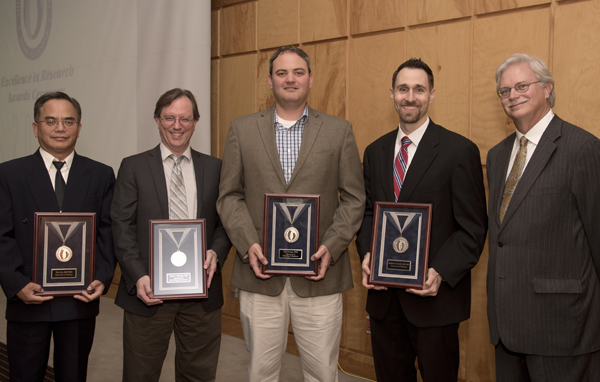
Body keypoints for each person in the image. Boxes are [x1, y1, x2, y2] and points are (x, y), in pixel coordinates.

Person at [217, 46, 365, 382]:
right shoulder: (242, 129)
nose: (290, 79)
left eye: (298, 72)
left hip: (319, 274)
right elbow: (229, 196)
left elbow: (355, 198)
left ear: (311, 79)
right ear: (269, 81)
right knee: (261, 371)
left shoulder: (338, 130)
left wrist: (332, 245)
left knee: (322, 373)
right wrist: (247, 244)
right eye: (282, 73)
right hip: (260, 273)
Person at [355, 58, 488, 382]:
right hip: (385, 300)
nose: (410, 97)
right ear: (392, 94)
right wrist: (368, 255)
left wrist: (440, 272)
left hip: (435, 300)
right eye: (403, 89)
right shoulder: (375, 151)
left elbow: (472, 228)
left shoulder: (459, 150)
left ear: (431, 95)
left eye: (418, 89)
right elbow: (369, 212)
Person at [487, 53, 600, 381]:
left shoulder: (582, 149)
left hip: (562, 329)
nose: (513, 95)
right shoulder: (497, 156)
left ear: (547, 88)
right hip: (506, 329)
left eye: (522, 85)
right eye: (505, 91)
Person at [110, 88, 231, 382]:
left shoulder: (215, 168)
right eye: (169, 118)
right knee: (140, 374)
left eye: (184, 119)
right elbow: (121, 226)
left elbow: (225, 223)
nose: (177, 126)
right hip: (148, 291)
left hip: (201, 291)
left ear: (195, 122)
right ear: (157, 119)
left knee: (198, 374)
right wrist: (138, 275)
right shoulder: (133, 166)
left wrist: (215, 252)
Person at [0, 92, 116, 382]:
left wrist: (101, 277)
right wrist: (17, 284)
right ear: (36, 127)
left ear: (79, 127)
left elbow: (108, 231)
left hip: (79, 297)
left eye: (68, 121)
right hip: (29, 296)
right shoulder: (9, 174)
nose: (60, 128)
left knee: (73, 375)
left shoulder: (101, 174)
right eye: (50, 121)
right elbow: (1, 234)